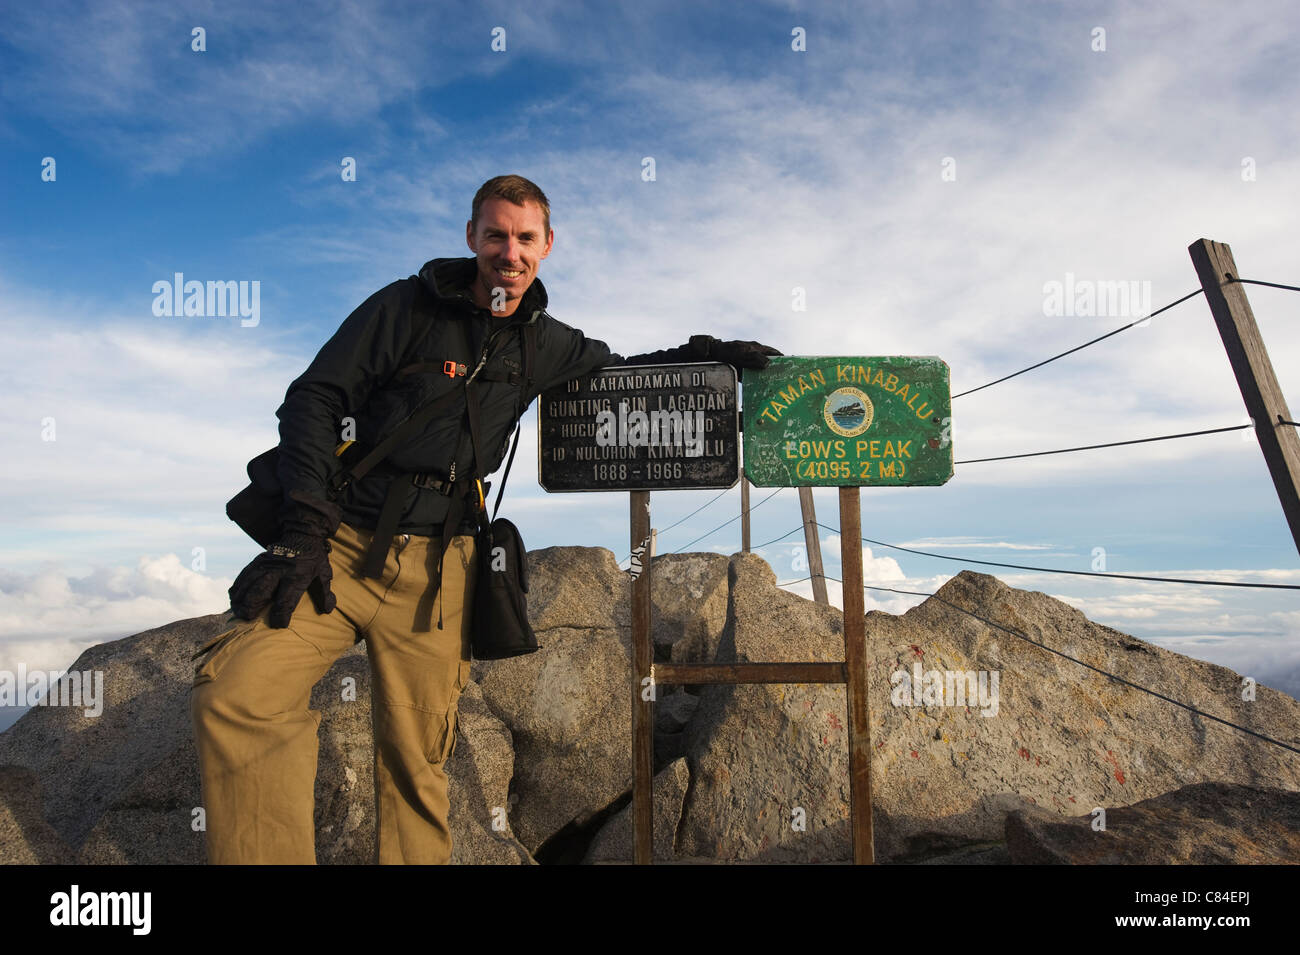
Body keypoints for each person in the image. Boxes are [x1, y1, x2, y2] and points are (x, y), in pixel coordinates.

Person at [190, 174, 779, 865]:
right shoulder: (404, 308)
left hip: (443, 569)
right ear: (472, 237)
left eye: (525, 237)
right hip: (342, 547)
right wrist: (302, 532)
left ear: (547, 245)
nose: (510, 251)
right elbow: (313, 399)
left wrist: (706, 357)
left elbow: (619, 373)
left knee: (418, 758)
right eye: (496, 234)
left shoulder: (547, 343)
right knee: (236, 694)